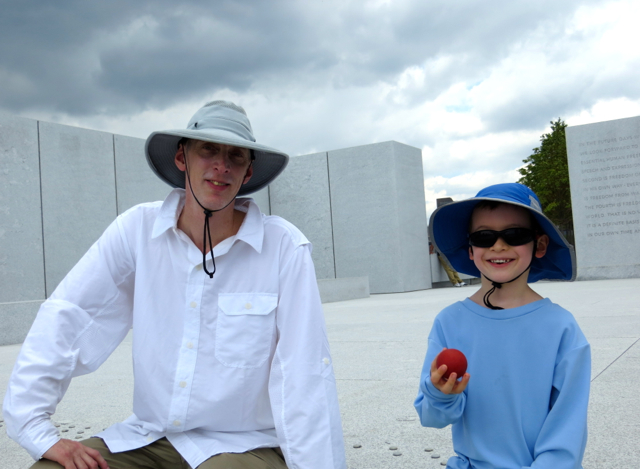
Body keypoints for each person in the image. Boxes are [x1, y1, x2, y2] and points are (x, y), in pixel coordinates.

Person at [4, 100, 347, 469]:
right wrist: (36, 430)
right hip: (151, 438)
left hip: (245, 444)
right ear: (182, 158)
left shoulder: (284, 248)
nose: (221, 166)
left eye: (236, 156)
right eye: (208, 150)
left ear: (248, 173)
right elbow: (69, 316)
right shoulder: (136, 231)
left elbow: (305, 370)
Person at [414, 183, 590, 469]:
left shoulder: (561, 327)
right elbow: (431, 418)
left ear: (540, 245)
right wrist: (440, 394)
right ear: (470, 249)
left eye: (515, 234)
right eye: (484, 236)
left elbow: (566, 431)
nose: (498, 245)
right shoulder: (450, 322)